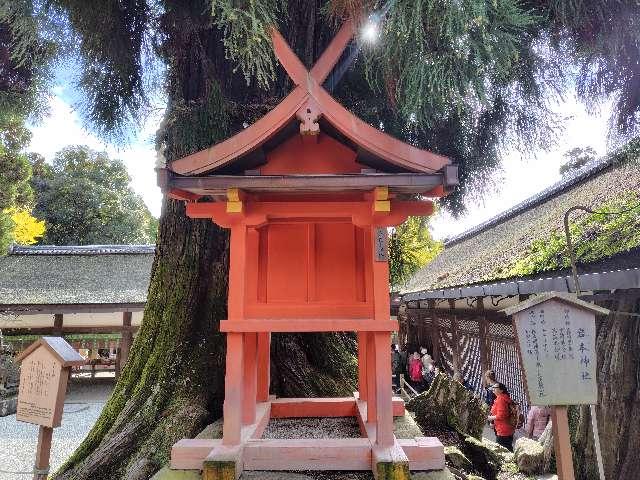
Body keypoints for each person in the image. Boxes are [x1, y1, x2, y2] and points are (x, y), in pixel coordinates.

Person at [488, 382, 515, 451]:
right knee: (507, 448)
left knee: (501, 450)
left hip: (503, 430)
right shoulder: (505, 397)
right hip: (508, 428)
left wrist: (490, 418)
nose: (493, 389)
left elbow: (501, 415)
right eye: (492, 387)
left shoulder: (501, 399)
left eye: (495, 388)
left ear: (501, 390)